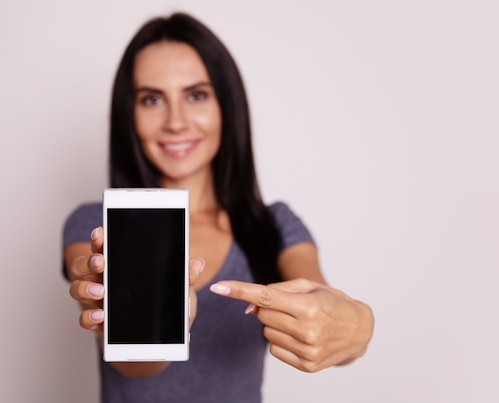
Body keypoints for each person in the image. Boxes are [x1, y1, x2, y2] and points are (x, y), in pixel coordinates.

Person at [62, 12, 374, 403]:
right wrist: (166, 321)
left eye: (196, 95)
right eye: (152, 99)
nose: (175, 122)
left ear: (227, 105)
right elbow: (134, 365)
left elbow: (323, 309)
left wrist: (360, 325)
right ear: (130, 115)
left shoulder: (275, 226)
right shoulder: (95, 224)